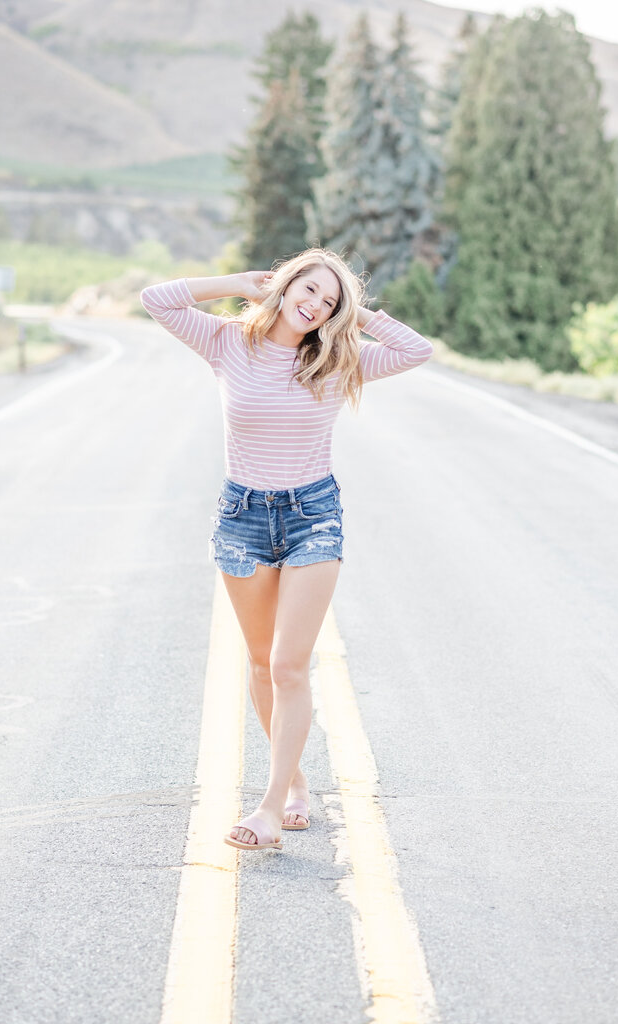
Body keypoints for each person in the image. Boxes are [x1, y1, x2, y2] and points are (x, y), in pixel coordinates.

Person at [139, 246, 433, 851]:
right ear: (286, 285)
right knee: (259, 662)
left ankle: (270, 809)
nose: (316, 305)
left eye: (329, 301)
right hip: (242, 516)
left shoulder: (338, 360)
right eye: (310, 289)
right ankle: (294, 783)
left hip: (311, 518)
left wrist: (354, 314)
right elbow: (156, 300)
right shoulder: (227, 342)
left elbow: (416, 350)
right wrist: (240, 283)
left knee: (289, 665)